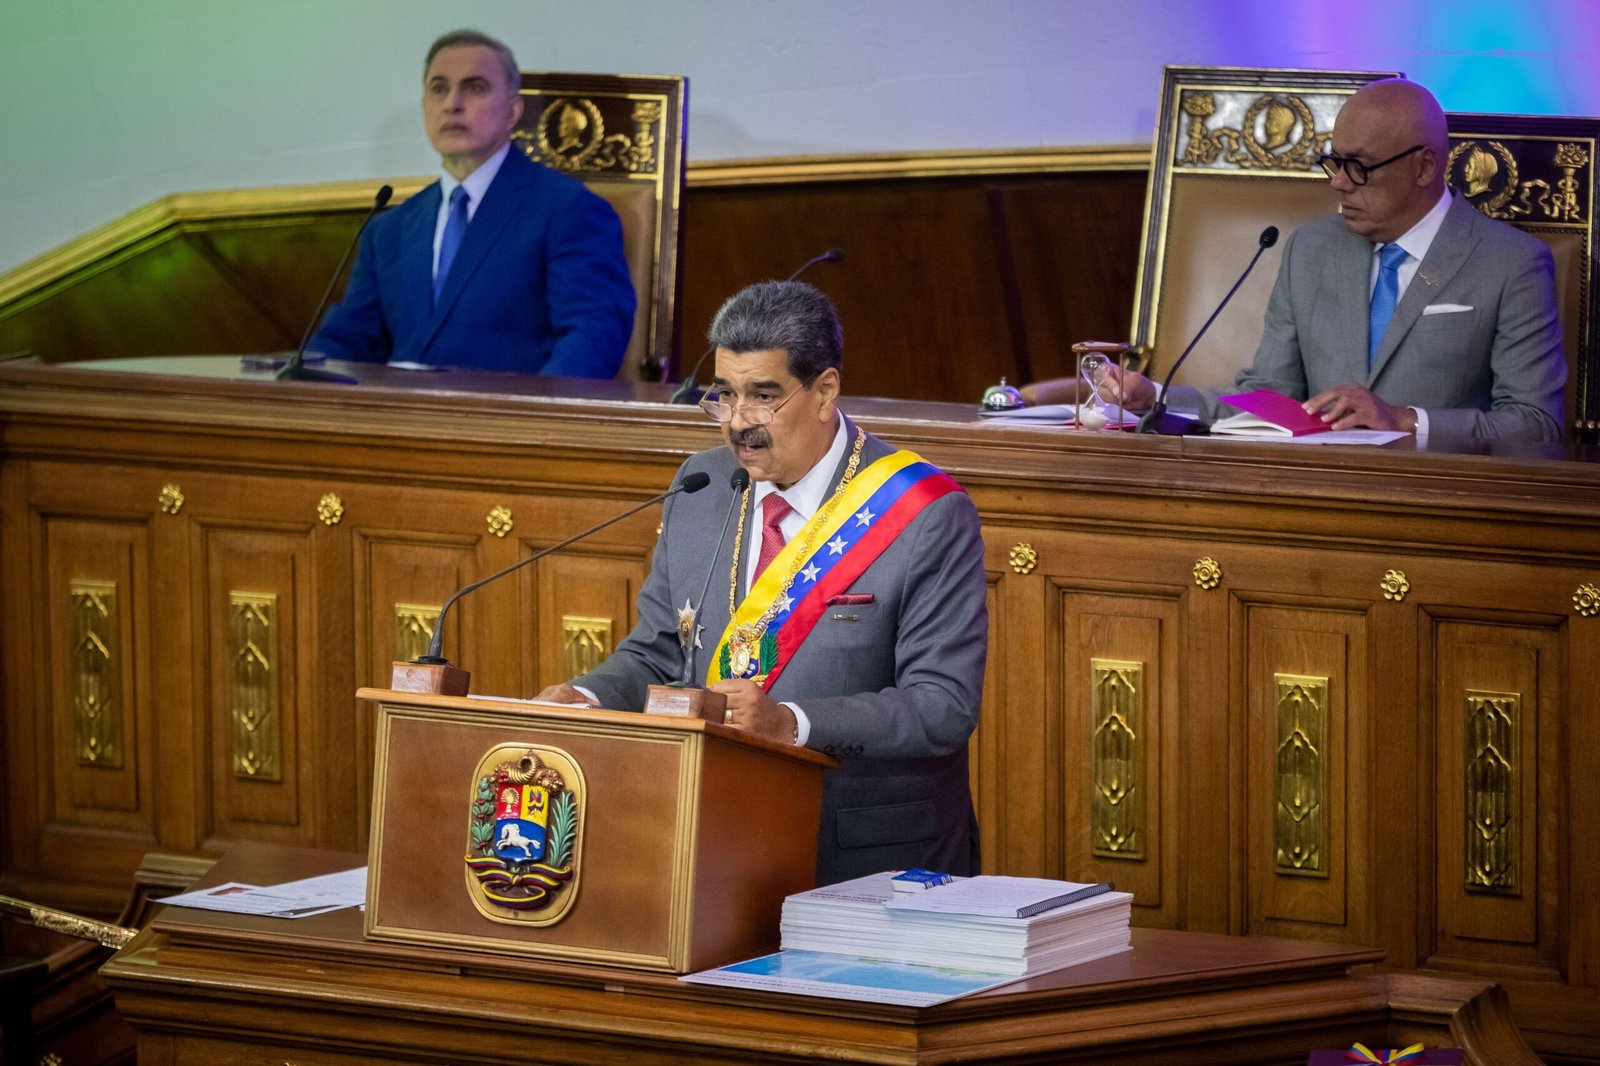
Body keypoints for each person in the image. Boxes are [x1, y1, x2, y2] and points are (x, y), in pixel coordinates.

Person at [535, 281, 988, 886]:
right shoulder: (702, 483)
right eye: (723, 396)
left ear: (825, 390)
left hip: (866, 855)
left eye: (763, 396)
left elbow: (943, 706)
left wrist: (791, 722)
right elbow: (658, 650)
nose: (738, 423)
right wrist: (585, 697)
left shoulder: (923, 512)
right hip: (716, 838)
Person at [1098, 78, 1566, 442]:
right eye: (1334, 162)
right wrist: (1154, 398)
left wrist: (1403, 420)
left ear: (1424, 167)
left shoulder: (1512, 263)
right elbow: (1269, 397)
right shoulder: (1310, 250)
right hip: (1317, 499)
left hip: (1442, 503)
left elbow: (1537, 424)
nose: (1339, 183)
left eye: (1358, 167)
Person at [309, 29, 635, 376]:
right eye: (439, 89)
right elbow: (349, 340)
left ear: (513, 111)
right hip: (397, 422)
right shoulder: (389, 229)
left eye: (475, 88)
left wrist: (533, 423)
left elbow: (590, 339)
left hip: (508, 425)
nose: (453, 103)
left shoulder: (568, 210)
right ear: (425, 108)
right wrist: (293, 377)